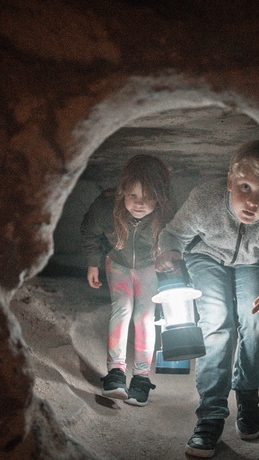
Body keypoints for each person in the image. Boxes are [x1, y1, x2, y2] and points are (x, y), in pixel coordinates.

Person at [155, 140, 259, 458]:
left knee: (257, 322)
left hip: (252, 262)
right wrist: (167, 251)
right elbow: (174, 233)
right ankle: (209, 418)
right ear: (230, 181)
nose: (252, 203)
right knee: (217, 324)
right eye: (246, 188)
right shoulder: (206, 198)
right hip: (206, 258)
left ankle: (248, 393)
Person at [81, 154, 173, 407]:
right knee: (121, 310)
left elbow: (178, 242)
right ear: (123, 191)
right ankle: (116, 373)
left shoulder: (166, 216)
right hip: (118, 263)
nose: (139, 204)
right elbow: (90, 230)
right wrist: (93, 263)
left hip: (148, 268)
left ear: (160, 197)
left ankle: (141, 378)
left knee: (144, 317)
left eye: (147, 198)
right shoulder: (106, 208)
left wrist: (175, 275)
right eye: (132, 196)